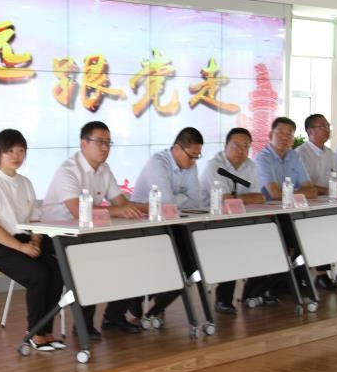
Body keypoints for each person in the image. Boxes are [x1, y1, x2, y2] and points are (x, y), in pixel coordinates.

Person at [42, 121, 147, 338]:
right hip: (58, 235)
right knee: (89, 260)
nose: (105, 148)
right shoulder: (68, 170)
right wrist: (119, 211)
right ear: (83, 143)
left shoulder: (104, 170)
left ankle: (114, 317)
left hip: (89, 233)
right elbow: (77, 211)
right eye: (100, 142)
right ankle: (83, 324)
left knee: (130, 252)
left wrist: (152, 207)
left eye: (108, 143)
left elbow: (121, 203)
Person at [0, 129, 65, 352]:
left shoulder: (25, 182)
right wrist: (22, 247)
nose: (16, 156)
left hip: (24, 240)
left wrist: (35, 241)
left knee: (57, 271)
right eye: (10, 151)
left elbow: (34, 218)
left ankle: (46, 331)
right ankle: (34, 333)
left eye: (21, 150)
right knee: (38, 275)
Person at [128, 127, 204, 322]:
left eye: (197, 156)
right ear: (177, 148)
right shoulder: (158, 163)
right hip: (144, 224)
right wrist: (180, 198)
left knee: (192, 261)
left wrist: (173, 203)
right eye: (191, 156)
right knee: (175, 257)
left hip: (173, 222)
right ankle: (139, 299)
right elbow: (166, 203)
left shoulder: (191, 164)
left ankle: (156, 307)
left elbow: (195, 200)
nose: (194, 161)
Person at [199, 127, 266, 314]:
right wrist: (244, 198)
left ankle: (252, 293)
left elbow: (259, 198)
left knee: (268, 239)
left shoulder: (250, 166)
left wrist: (238, 198)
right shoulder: (214, 166)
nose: (241, 150)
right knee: (232, 245)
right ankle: (223, 299)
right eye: (236, 145)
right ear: (226, 146)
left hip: (241, 220)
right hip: (211, 222)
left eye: (246, 146)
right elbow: (225, 201)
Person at [296, 114, 337, 289]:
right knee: (323, 232)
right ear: (310, 131)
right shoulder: (300, 154)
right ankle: (320, 274)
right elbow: (307, 186)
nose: (327, 130)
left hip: (331, 203)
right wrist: (332, 191)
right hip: (309, 207)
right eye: (322, 126)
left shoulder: (330, 154)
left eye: (328, 126)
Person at [254, 117, 318, 201]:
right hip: (268, 207)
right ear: (270, 135)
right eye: (280, 133)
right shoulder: (262, 158)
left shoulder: (294, 156)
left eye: (289, 134)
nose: (284, 138)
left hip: (291, 206)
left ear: (293, 139)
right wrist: (301, 193)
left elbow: (312, 192)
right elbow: (275, 194)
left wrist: (285, 194)